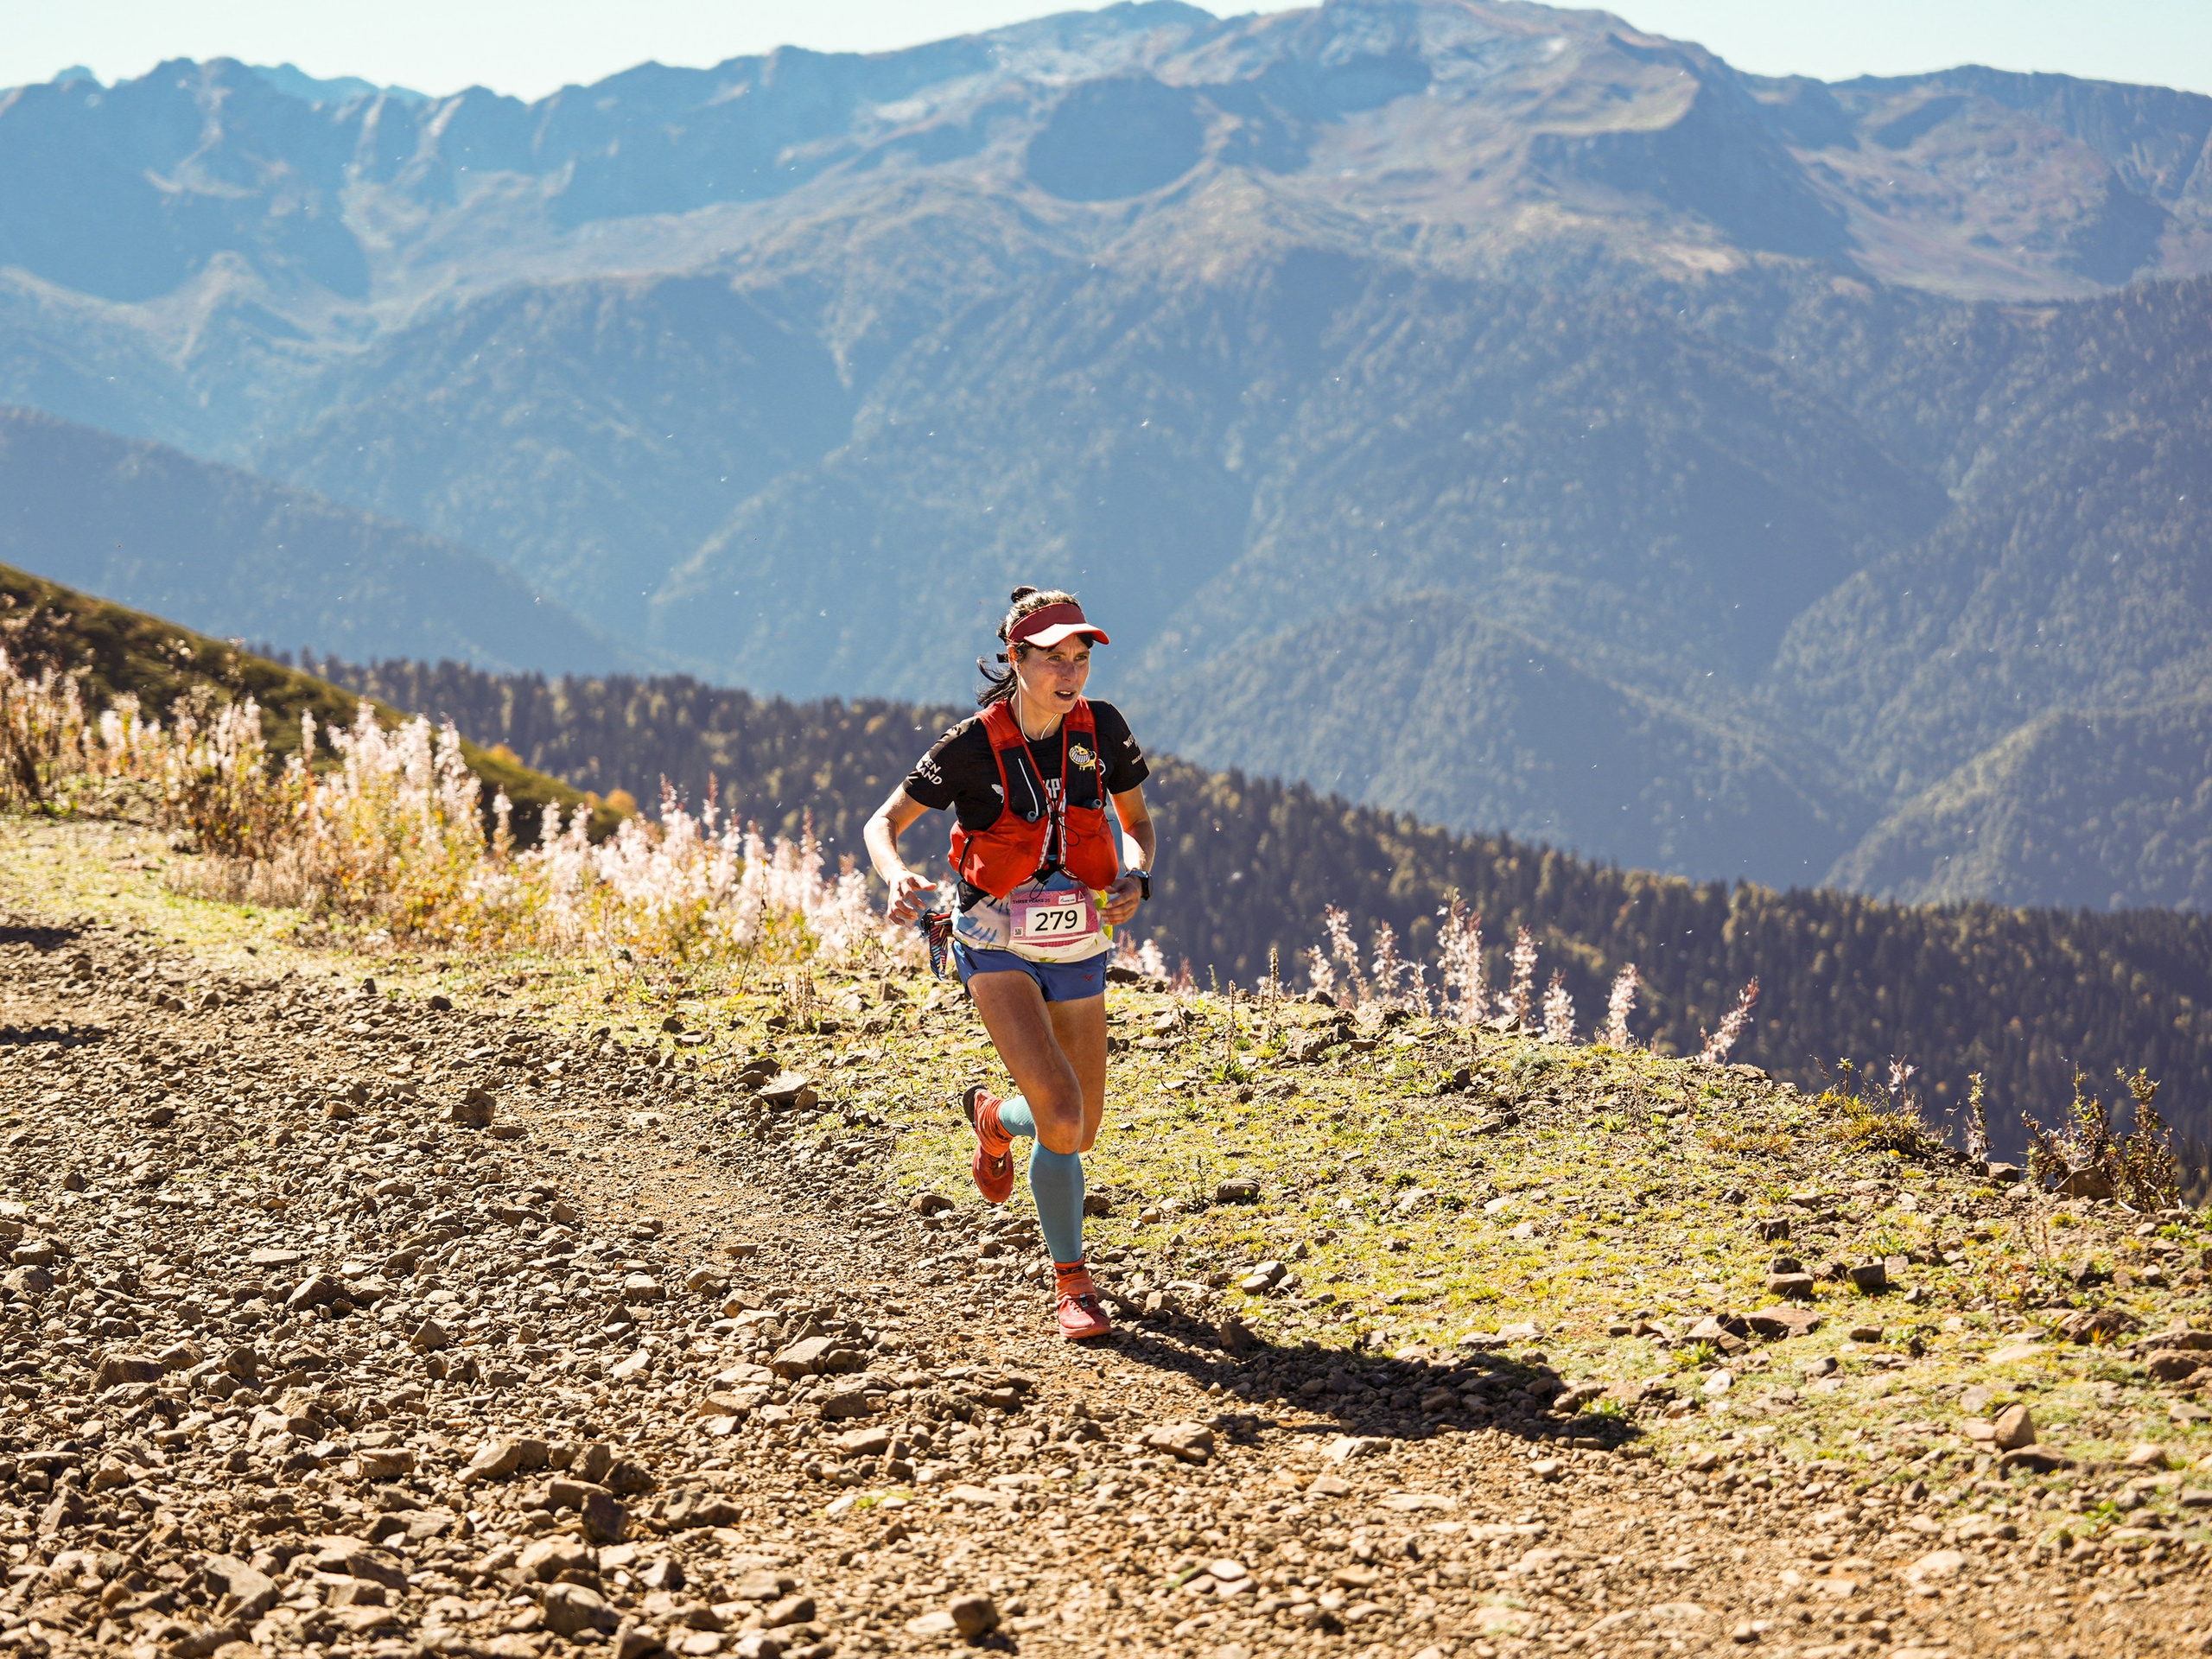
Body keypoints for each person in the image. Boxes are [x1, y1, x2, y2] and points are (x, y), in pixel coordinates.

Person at [863, 587, 1156, 1340]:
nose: (1071, 673)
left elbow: (1137, 826)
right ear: (1016, 660)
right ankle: (1074, 1284)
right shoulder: (968, 745)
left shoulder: (1103, 728)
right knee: (1060, 1111)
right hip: (992, 938)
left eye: (1080, 657)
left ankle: (995, 1118)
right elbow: (881, 823)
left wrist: (1135, 876)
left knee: (1078, 1127)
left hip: (1080, 938)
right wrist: (896, 873)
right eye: (1054, 658)